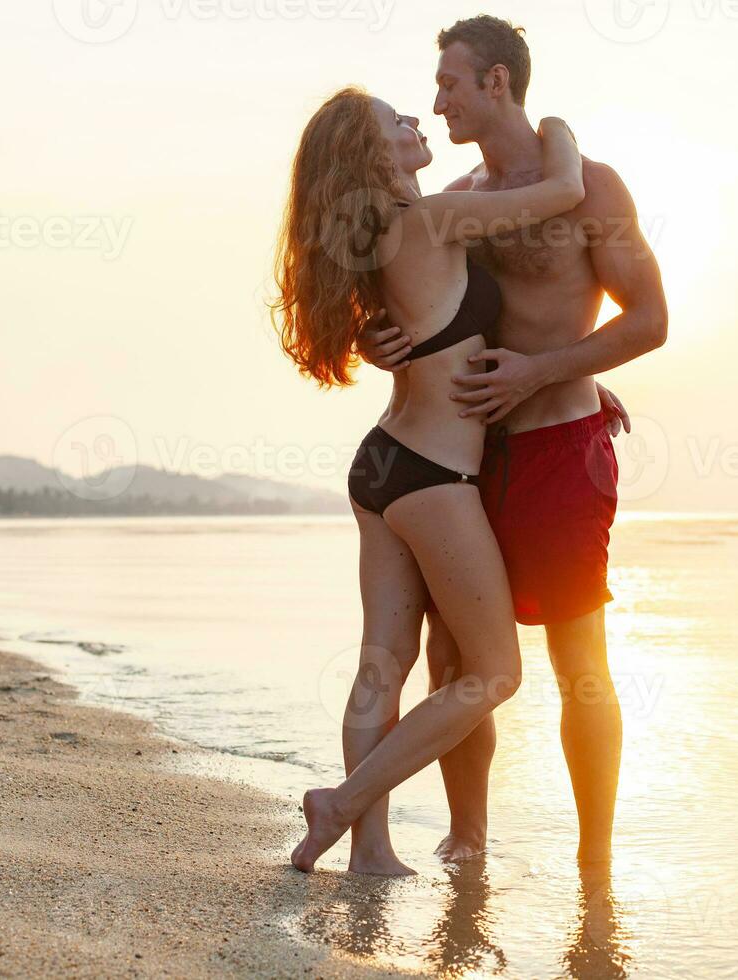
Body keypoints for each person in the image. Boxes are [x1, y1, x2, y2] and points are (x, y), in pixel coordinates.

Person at [358, 16, 669, 866]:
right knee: (457, 656)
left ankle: (594, 867)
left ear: (496, 83)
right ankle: (468, 842)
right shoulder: (459, 196)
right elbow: (420, 309)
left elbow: (651, 320)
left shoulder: (592, 186)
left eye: (450, 84)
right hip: (471, 459)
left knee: (579, 659)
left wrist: (550, 374)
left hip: (562, 448)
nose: (437, 101)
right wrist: (373, 340)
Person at [272, 86, 586, 874]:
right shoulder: (434, 216)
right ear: (371, 153)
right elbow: (564, 191)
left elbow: (440, 329)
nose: (415, 121)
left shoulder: (375, 234)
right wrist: (557, 128)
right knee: (494, 673)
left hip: (381, 463)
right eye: (396, 121)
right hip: (434, 475)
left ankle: (369, 854)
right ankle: (341, 806)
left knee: (383, 661)